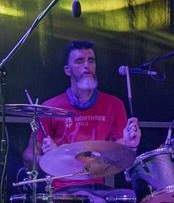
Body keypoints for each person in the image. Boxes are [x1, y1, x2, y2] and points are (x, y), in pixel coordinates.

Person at [22, 40, 142, 191]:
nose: (87, 66)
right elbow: (29, 156)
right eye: (79, 61)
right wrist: (51, 160)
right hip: (61, 191)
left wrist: (131, 145)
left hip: (98, 187)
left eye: (91, 61)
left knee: (129, 199)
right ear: (67, 70)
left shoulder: (114, 104)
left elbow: (121, 156)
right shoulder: (49, 107)